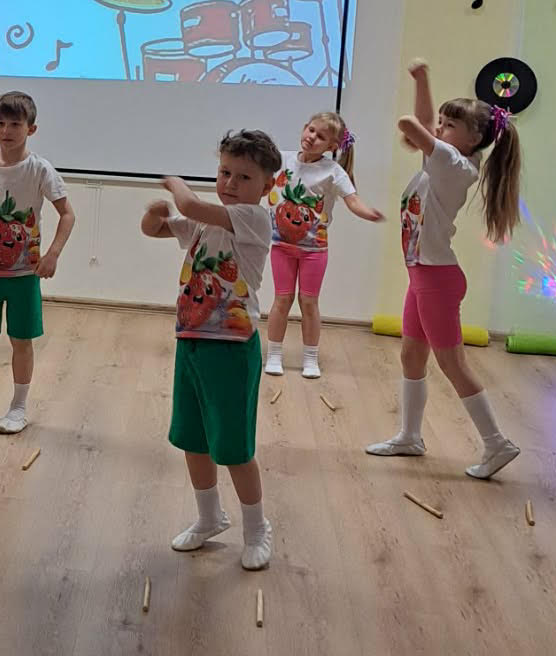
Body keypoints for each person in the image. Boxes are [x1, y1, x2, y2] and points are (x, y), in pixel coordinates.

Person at [367, 59, 522, 478]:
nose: (439, 129)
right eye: (441, 123)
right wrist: (422, 80)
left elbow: (411, 126)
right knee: (411, 355)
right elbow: (422, 127)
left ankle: (496, 443)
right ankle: (410, 437)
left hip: (436, 279)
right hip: (423, 274)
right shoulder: (445, 159)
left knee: (452, 364)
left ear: (474, 139)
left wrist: (417, 128)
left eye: (449, 125)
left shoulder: (453, 165)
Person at [142, 128, 281, 570]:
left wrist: (174, 184)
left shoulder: (253, 219)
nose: (230, 183)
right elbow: (157, 229)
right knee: (193, 438)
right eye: (224, 173)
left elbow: (187, 205)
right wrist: (153, 213)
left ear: (267, 186)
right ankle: (209, 518)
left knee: (235, 448)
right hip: (191, 341)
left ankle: (257, 529)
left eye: (244, 177)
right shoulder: (209, 221)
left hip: (232, 349)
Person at [0, 90, 75, 436]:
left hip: (24, 275)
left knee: (21, 341)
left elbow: (67, 214)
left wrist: (53, 254)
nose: (7, 130)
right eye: (1, 123)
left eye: (15, 124)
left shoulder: (40, 169)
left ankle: (18, 407)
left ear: (31, 129)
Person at [264, 110, 383, 378]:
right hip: (281, 247)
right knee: (282, 299)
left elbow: (353, 200)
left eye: (321, 137)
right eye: (311, 130)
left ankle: (310, 358)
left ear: (332, 146)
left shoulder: (333, 171)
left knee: (309, 302)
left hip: (314, 250)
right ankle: (274, 354)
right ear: (305, 127)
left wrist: (369, 213)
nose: (312, 137)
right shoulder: (281, 160)